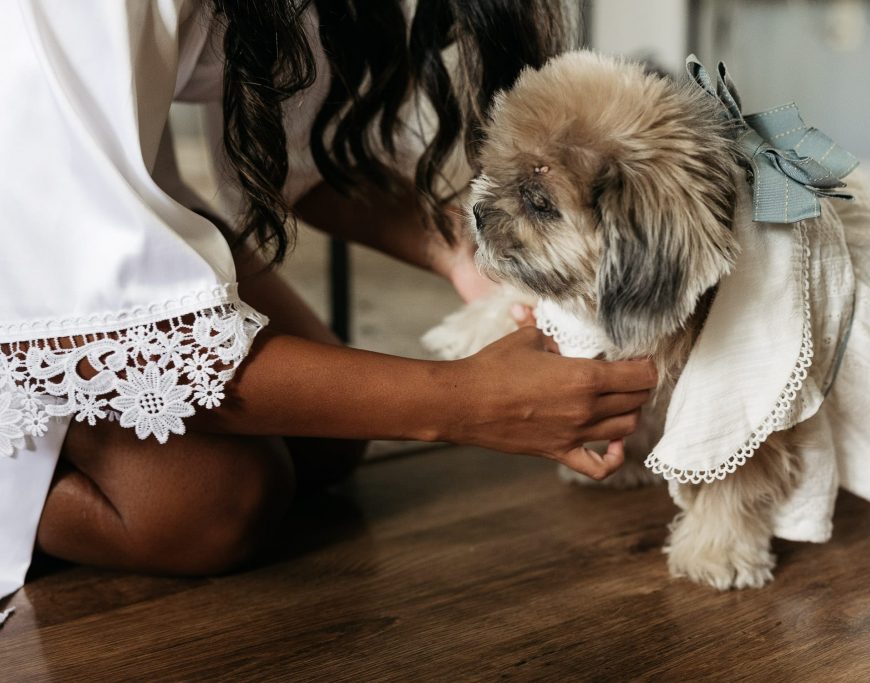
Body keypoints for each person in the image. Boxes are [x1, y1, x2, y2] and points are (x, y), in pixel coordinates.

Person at [0, 0, 656, 597]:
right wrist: (470, 402)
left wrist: (465, 254)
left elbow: (303, 158)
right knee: (212, 504)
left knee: (328, 440)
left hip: (96, 215)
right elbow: (130, 345)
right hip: (36, 240)